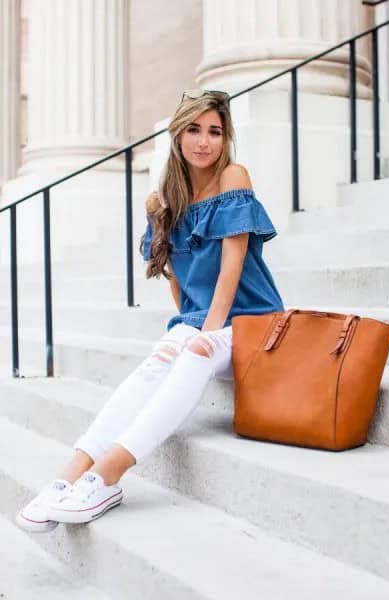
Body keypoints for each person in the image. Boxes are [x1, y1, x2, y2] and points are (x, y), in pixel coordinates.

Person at [15, 88, 285, 533]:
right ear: (178, 136)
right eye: (194, 130)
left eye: (215, 132)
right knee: (157, 360)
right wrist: (190, 327)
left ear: (226, 138)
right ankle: (69, 478)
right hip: (203, 319)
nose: (204, 141)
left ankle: (107, 476)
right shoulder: (163, 202)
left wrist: (207, 333)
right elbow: (181, 289)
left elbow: (231, 268)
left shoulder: (234, 177)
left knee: (194, 350)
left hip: (253, 318)